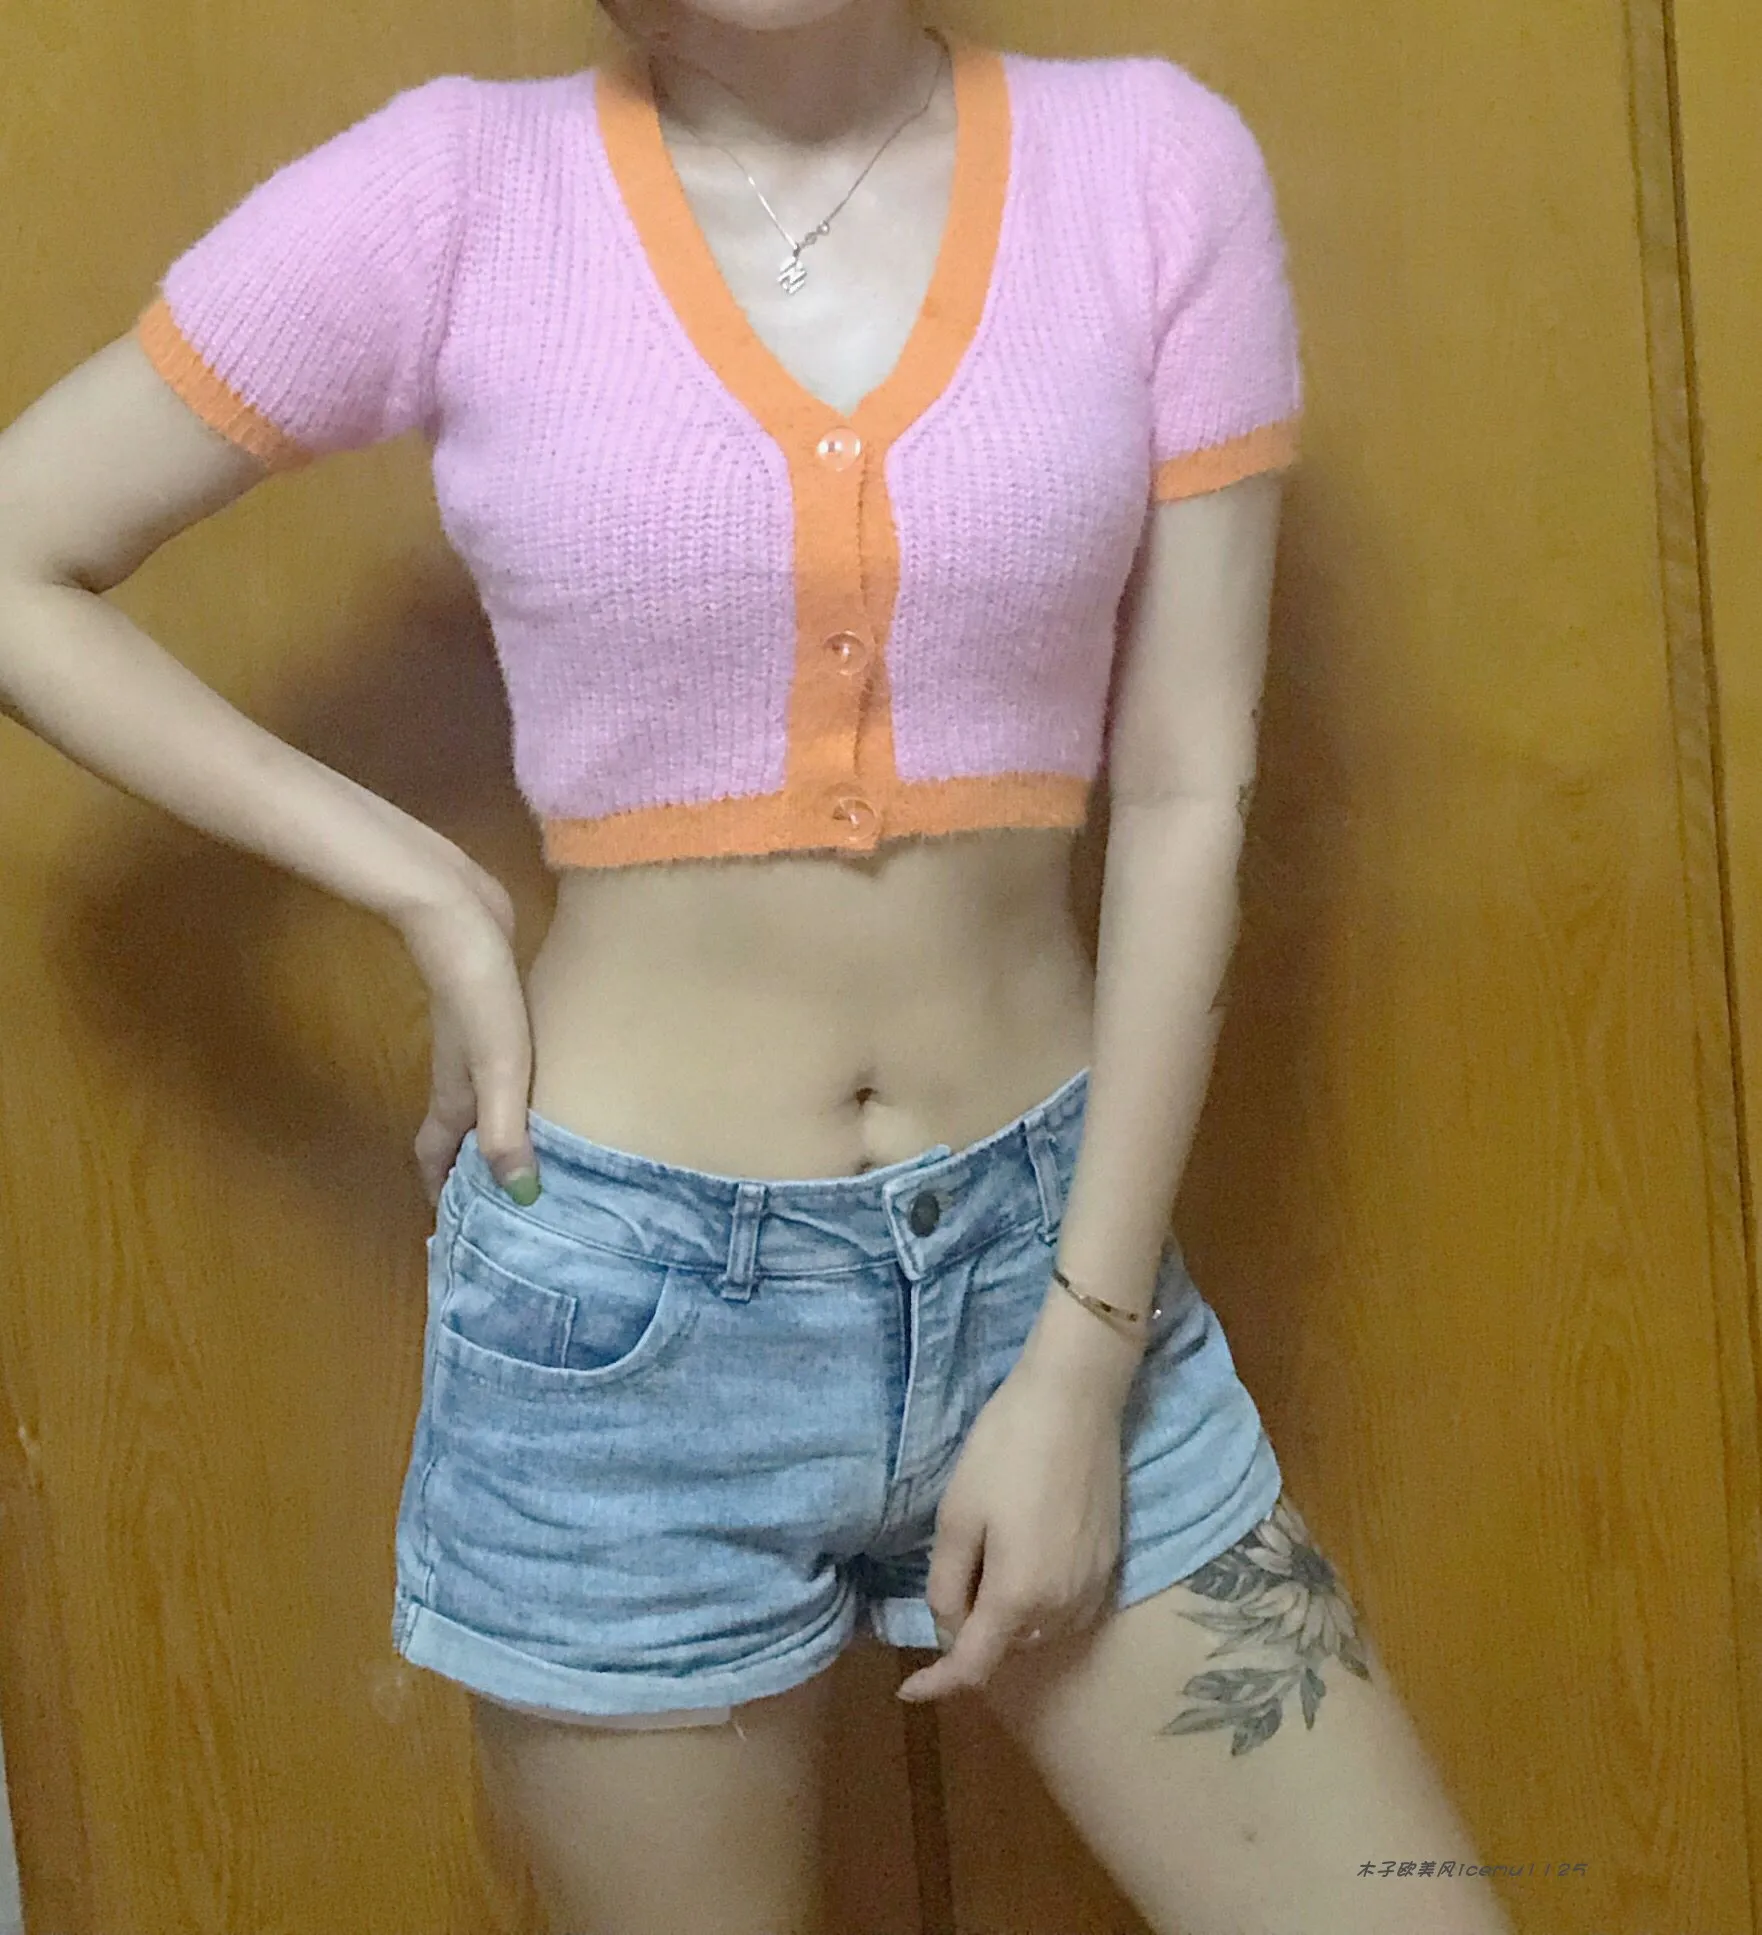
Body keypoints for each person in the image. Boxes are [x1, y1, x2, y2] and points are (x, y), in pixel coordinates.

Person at [0, 0, 1519, 1928]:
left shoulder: (1152, 168)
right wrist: (424, 887)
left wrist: (1080, 1357)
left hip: (1056, 1266)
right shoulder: (456, 193)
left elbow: (1184, 784)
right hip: (618, 1321)